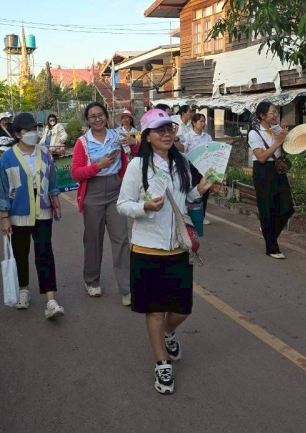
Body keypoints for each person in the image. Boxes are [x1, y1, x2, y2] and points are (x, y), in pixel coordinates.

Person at [117, 108, 212, 395]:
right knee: (155, 309)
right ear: (147, 136)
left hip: (179, 247)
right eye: (160, 130)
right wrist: (144, 207)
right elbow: (123, 204)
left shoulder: (180, 161)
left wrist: (200, 190)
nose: (167, 134)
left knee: (183, 308)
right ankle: (162, 363)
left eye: (170, 129)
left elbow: (184, 199)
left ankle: (169, 332)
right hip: (148, 248)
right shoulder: (137, 166)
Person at [0, 112, 65, 320]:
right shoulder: (8, 157)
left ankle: (51, 300)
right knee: (21, 253)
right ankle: (24, 290)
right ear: (18, 134)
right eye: (28, 130)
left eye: (35, 129)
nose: (33, 133)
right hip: (18, 212)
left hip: (43, 210)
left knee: (45, 254)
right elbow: (5, 189)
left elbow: (52, 180)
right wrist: (4, 217)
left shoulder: (44, 153)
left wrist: (56, 200)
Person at [72, 102, 139, 305]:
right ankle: (92, 281)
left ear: (106, 116)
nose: (97, 119)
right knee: (93, 239)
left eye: (100, 115)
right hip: (93, 192)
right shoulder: (82, 142)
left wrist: (134, 143)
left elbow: (136, 152)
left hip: (116, 190)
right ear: (87, 120)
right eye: (92, 116)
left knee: (121, 239)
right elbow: (75, 173)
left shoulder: (118, 136)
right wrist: (97, 166)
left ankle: (127, 289)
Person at [248, 101, 294, 259]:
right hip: (263, 171)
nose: (275, 115)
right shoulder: (254, 133)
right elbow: (261, 157)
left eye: (276, 112)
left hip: (277, 169)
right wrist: (278, 141)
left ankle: (268, 231)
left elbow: (283, 150)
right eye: (272, 112)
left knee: (287, 208)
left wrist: (285, 136)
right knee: (267, 208)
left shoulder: (276, 130)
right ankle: (272, 248)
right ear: (262, 116)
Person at [184, 112, 213, 225]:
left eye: (204, 121)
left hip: (205, 167)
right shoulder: (188, 136)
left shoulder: (207, 137)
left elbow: (211, 150)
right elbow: (183, 150)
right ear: (194, 123)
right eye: (201, 121)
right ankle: (190, 215)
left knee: (205, 191)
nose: (203, 123)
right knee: (194, 190)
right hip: (193, 167)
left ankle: (202, 216)